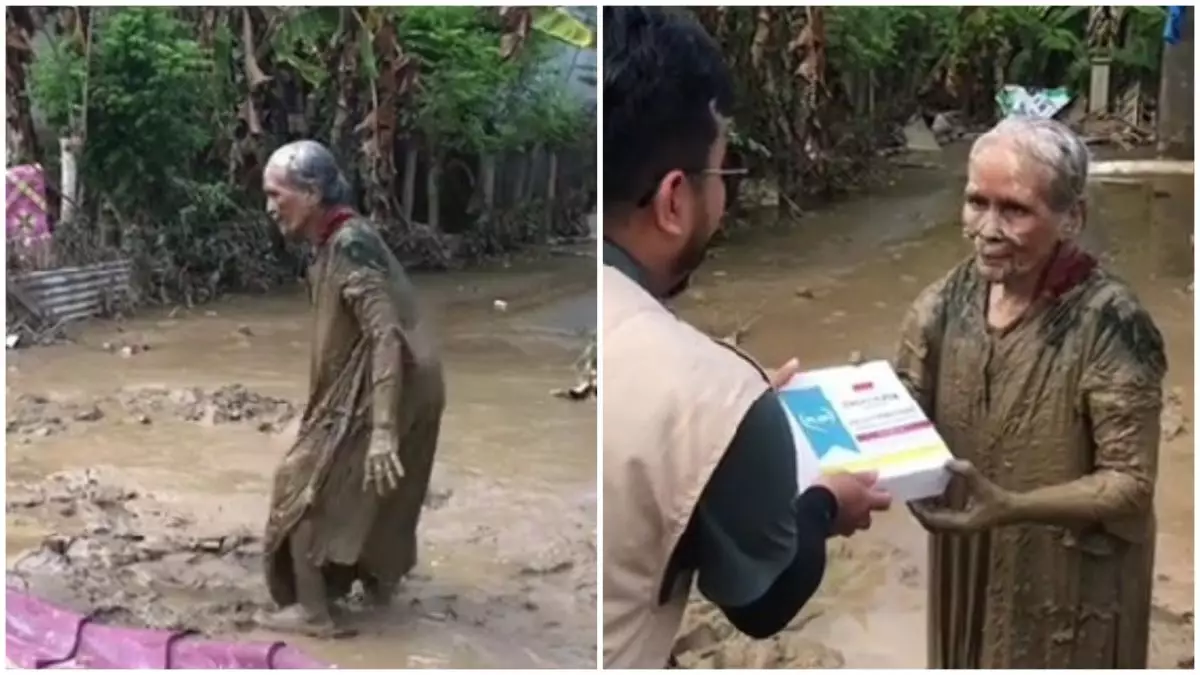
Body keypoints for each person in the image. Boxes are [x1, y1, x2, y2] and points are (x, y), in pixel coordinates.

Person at [601, 8, 892, 668]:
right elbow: (760, 601)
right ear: (675, 200)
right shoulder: (714, 391)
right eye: (723, 174)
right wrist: (822, 502)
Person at [895, 117, 1167, 668]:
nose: (987, 228)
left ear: (1073, 218)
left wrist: (1013, 507)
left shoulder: (1112, 324)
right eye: (976, 202)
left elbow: (1131, 483)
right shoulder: (945, 301)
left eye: (1014, 209)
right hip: (966, 557)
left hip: (1069, 585)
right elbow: (902, 406)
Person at [255, 140, 446, 637]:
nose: (270, 207)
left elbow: (383, 333)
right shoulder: (335, 240)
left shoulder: (350, 243)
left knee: (298, 483)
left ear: (313, 193)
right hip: (410, 380)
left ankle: (314, 614)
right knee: (382, 492)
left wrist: (382, 428)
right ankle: (379, 598)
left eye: (278, 195)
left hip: (391, 384)